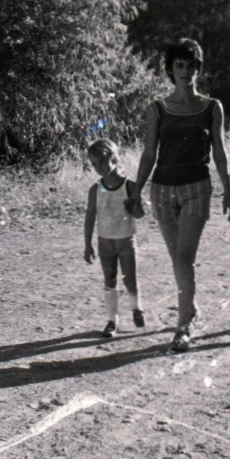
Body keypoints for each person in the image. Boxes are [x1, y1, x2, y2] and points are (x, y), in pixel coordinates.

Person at [132, 39, 230, 351]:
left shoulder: (211, 107)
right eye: (179, 65)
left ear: (198, 69)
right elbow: (149, 155)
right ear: (170, 69)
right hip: (162, 190)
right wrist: (136, 192)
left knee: (184, 257)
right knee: (177, 260)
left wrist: (228, 189)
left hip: (197, 189)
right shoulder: (157, 110)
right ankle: (190, 307)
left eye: (191, 65)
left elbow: (219, 150)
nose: (185, 71)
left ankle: (183, 325)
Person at [82, 138, 146, 338]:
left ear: (112, 156)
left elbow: (139, 214)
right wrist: (87, 245)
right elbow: (90, 217)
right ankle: (112, 321)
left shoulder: (130, 185)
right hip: (105, 241)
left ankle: (136, 308)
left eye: (101, 161)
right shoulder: (96, 189)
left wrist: (132, 206)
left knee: (130, 280)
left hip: (126, 239)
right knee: (109, 280)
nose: (98, 168)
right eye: (94, 164)